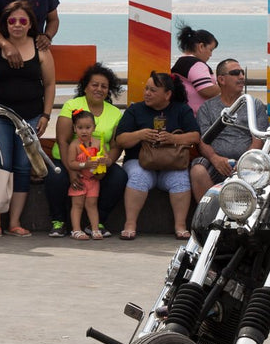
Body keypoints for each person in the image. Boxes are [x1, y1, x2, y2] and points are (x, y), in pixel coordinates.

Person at [0, 0, 56, 236]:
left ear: (31, 23)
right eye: (12, 21)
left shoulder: (41, 49)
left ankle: (15, 222)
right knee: (0, 165)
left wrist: (46, 115)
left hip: (29, 118)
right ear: (5, 24)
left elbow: (50, 84)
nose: (17, 25)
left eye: (23, 21)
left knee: (22, 167)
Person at [112, 72, 200, 240]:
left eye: (153, 90)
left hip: (171, 162)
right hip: (139, 161)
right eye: (146, 89)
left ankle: (180, 226)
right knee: (138, 176)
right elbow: (121, 140)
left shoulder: (181, 109)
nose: (147, 93)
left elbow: (195, 136)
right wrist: (141, 135)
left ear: (167, 94)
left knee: (180, 179)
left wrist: (173, 138)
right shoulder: (135, 110)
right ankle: (130, 224)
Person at [44, 62, 126, 238]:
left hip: (97, 164)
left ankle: (97, 223)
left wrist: (106, 165)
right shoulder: (72, 106)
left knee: (119, 177)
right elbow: (63, 141)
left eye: (104, 86)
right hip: (68, 160)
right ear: (85, 87)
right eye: (94, 85)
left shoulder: (115, 113)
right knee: (56, 177)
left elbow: (115, 145)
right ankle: (58, 221)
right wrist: (71, 170)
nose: (99, 89)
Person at [191, 60, 268, 201]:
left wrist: (244, 162)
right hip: (215, 161)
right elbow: (202, 140)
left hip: (247, 161)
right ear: (221, 79)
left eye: (242, 73)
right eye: (235, 73)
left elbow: (259, 139)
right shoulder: (207, 108)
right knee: (198, 171)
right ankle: (210, 218)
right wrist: (215, 159)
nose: (241, 77)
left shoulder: (255, 105)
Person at [64, 109, 105, 241]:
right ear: (75, 128)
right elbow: (71, 163)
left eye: (88, 127)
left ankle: (95, 229)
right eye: (80, 128)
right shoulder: (74, 145)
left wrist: (104, 160)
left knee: (92, 204)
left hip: (93, 180)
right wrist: (84, 165)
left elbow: (107, 158)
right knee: (77, 204)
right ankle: (76, 230)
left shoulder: (98, 143)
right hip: (80, 179)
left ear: (94, 127)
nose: (84, 131)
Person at [170, 25, 220, 111]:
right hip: (197, 117)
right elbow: (206, 91)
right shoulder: (197, 65)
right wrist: (224, 85)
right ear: (201, 47)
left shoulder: (181, 62)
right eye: (210, 50)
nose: (211, 55)